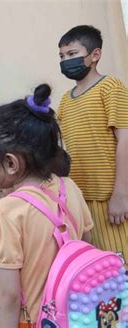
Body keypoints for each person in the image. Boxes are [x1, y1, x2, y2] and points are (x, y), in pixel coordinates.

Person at [0, 84, 94, 327]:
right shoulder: (69, 187)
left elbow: (9, 296)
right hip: (79, 315)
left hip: (37, 320)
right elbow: (86, 247)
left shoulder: (5, 212)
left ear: (11, 163)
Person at [57, 25, 128, 261]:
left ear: (95, 55)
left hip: (111, 199)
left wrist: (121, 193)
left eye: (72, 54)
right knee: (101, 274)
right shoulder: (65, 102)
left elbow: (125, 139)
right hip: (82, 201)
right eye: (62, 56)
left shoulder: (110, 88)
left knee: (122, 267)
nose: (66, 60)